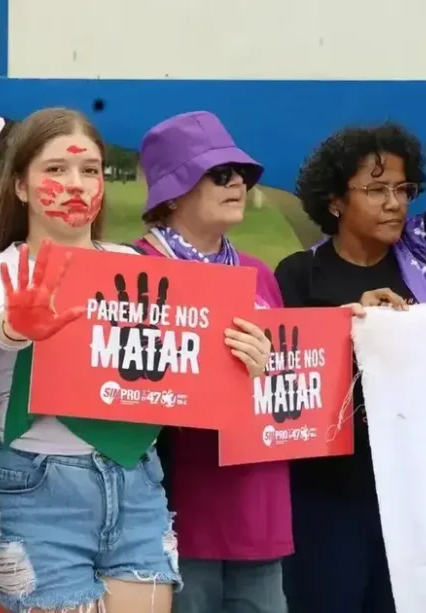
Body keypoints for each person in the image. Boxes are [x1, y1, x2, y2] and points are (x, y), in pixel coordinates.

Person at [273, 24, 426, 613]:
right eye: (375, 189)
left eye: (403, 188)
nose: (395, 202)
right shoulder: (298, 275)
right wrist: (349, 322)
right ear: (336, 200)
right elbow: (274, 372)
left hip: (417, 488)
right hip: (327, 493)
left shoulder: (424, 251)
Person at [0, 107, 189, 613]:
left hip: (136, 482)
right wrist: (19, 325)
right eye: (55, 170)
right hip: (36, 486)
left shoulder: (136, 266)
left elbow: (185, 360)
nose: (75, 184)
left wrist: (245, 354)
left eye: (90, 170)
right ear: (20, 186)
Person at [131, 110, 281, 613]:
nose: (237, 181)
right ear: (174, 191)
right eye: (220, 174)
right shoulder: (133, 270)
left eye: (241, 172)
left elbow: (290, 387)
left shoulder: (260, 273)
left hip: (256, 506)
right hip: (176, 508)